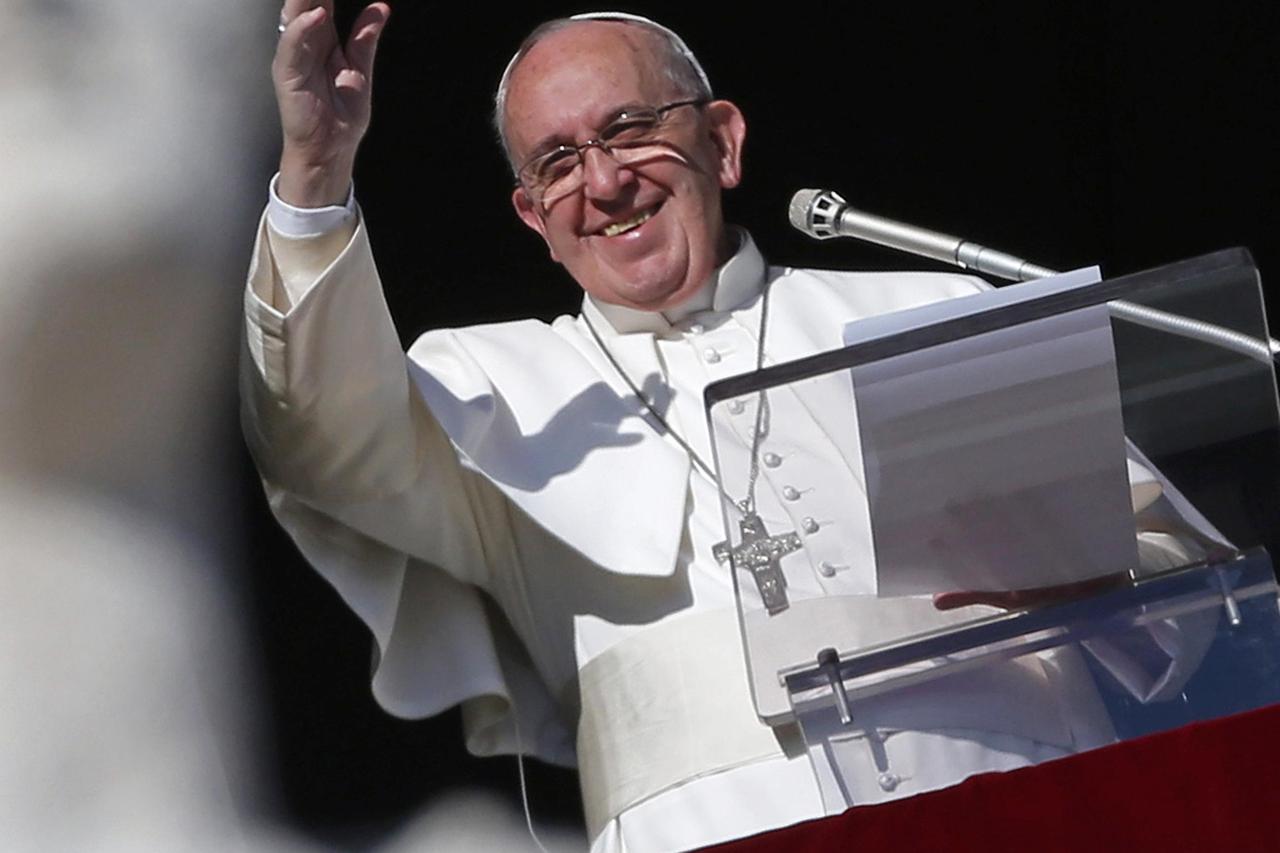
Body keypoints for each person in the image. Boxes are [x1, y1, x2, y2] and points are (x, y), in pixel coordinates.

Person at [244, 5, 1214, 850]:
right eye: (557, 162)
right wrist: (316, 171)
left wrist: (1101, 585)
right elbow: (323, 434)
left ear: (723, 141)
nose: (604, 181)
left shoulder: (932, 308)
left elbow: (1189, 591)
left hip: (1016, 810)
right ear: (531, 216)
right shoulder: (482, 383)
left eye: (628, 129)